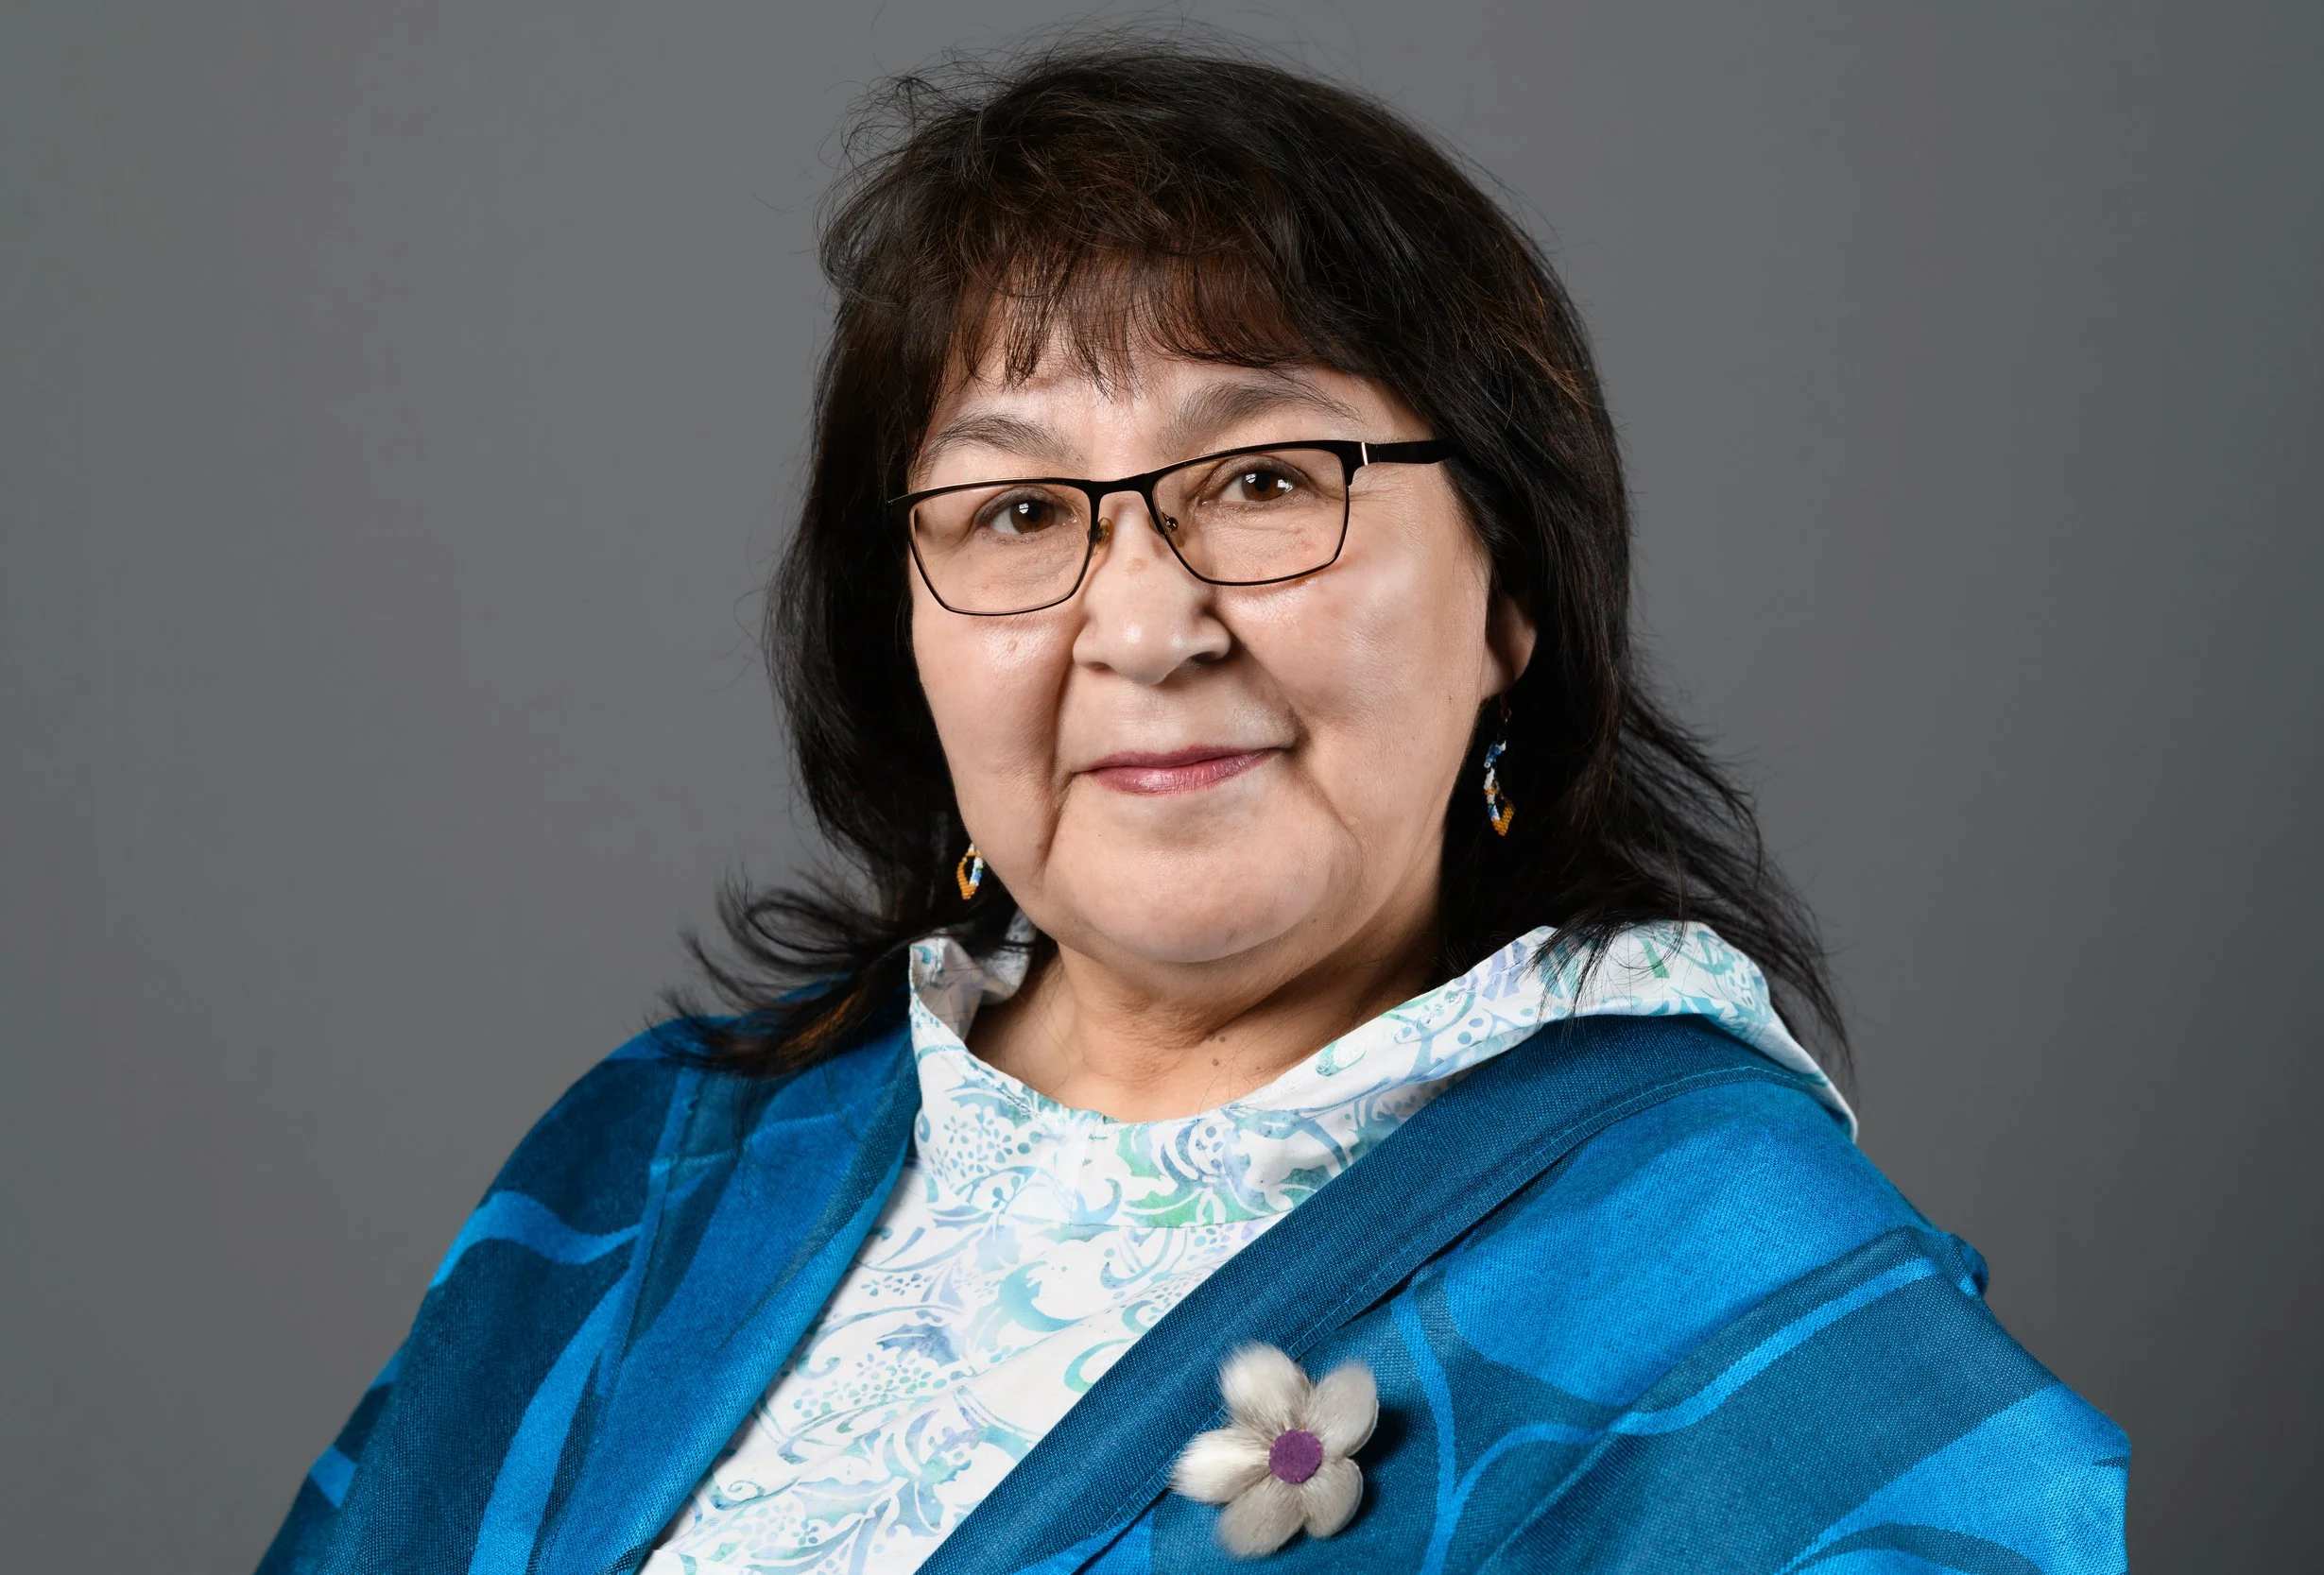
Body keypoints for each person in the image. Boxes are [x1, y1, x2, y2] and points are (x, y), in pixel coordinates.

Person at [258, 39, 2128, 1575]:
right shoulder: (649, 1170)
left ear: (1512, 592)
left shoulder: (1733, 1288)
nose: (1146, 626)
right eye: (1016, 511)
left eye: (1262, 481)